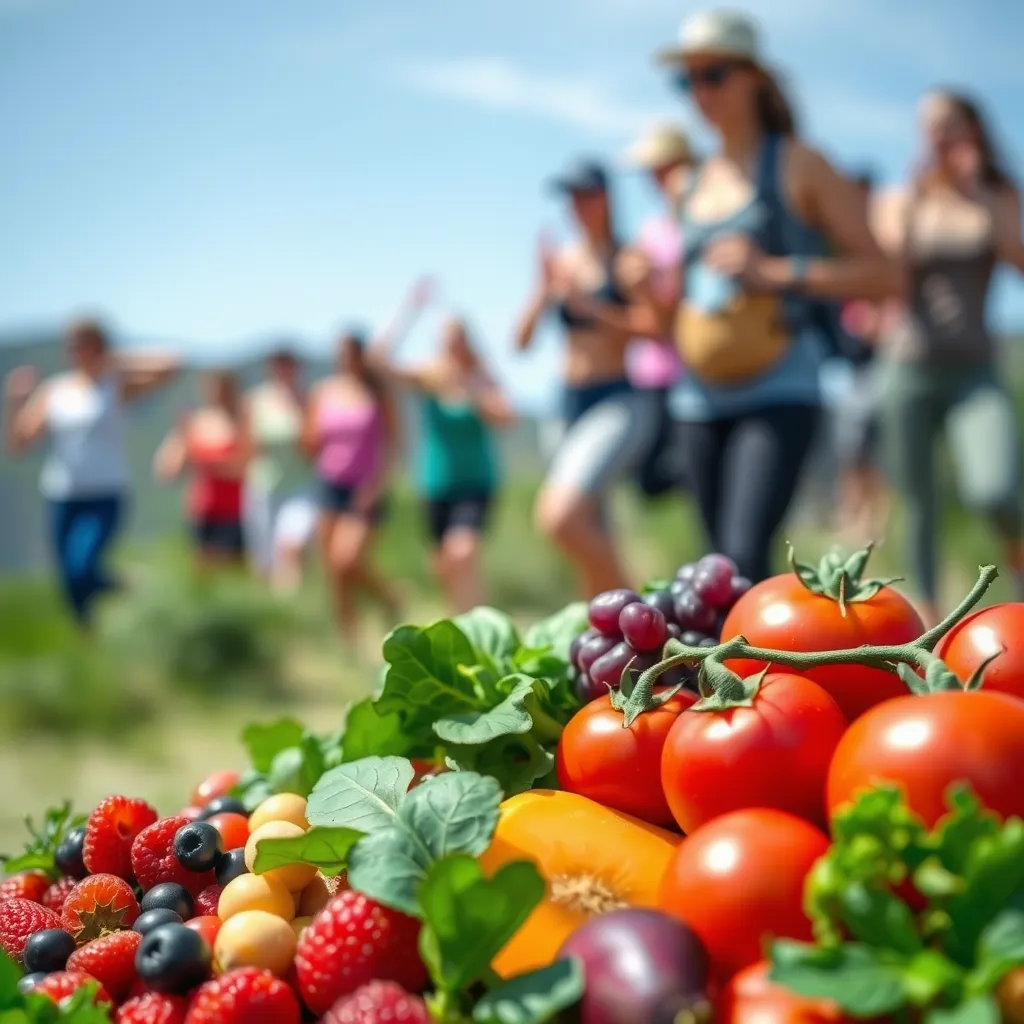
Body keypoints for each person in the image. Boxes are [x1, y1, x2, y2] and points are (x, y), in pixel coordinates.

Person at [647, 9, 895, 583]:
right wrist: (648, 292)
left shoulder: (799, 164)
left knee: (742, 554)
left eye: (713, 75)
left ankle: (763, 670)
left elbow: (884, 275)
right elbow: (674, 315)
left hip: (781, 386)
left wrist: (775, 272)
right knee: (714, 567)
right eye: (687, 80)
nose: (698, 92)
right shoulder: (688, 182)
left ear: (754, 76)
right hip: (696, 399)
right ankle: (732, 672)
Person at [871, 89, 1024, 621]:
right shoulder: (901, 197)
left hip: (974, 369)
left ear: (973, 129)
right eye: (928, 125)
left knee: (996, 489)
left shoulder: (998, 193)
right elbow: (889, 271)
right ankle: (928, 625)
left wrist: (975, 190)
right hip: (907, 367)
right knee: (917, 506)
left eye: (949, 124)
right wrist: (917, 197)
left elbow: (1018, 260)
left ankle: (1018, 566)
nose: (938, 134)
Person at [515, 160, 661, 597]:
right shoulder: (563, 261)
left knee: (560, 519)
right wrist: (545, 292)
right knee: (590, 532)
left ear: (606, 199)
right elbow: (520, 343)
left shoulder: (628, 259)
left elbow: (656, 328)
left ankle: (646, 621)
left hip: (616, 399)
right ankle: (612, 643)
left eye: (585, 196)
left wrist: (591, 308)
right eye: (570, 198)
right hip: (564, 403)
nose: (576, 206)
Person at [2, 318, 179, 627]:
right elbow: (20, 445)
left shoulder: (117, 385)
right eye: (71, 345)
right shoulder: (54, 391)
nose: (75, 351)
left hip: (105, 493)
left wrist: (112, 361)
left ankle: (129, 591)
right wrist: (14, 402)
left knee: (81, 566)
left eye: (83, 344)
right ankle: (90, 641)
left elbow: (170, 364)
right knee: (69, 581)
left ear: (99, 346)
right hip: (62, 495)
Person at [370, 281, 515, 613]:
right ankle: (463, 622)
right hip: (436, 484)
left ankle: (480, 627)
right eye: (445, 339)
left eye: (455, 338)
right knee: (444, 565)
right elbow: (378, 360)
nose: (450, 345)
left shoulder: (482, 377)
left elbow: (507, 418)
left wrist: (473, 392)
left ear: (465, 342)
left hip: (476, 482)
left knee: (461, 551)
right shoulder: (429, 376)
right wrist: (410, 309)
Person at [304, 329, 400, 643]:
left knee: (348, 559)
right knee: (334, 570)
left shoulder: (377, 393)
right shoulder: (323, 392)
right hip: (330, 483)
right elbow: (311, 441)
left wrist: (378, 484)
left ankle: (390, 597)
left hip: (366, 487)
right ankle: (349, 638)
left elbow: (394, 442)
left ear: (360, 355)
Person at [622, 123, 696, 496]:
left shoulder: (701, 222)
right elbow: (647, 313)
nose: (654, 178)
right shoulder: (651, 230)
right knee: (647, 479)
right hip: (651, 373)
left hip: (694, 369)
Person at [154, 370, 250, 570]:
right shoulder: (195, 423)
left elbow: (246, 466)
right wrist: (180, 433)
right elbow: (167, 471)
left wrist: (208, 463)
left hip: (237, 510)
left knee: (233, 573)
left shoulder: (242, 422)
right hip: (202, 510)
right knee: (204, 573)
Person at [243, 347, 317, 593]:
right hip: (263, 487)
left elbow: (315, 448)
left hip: (300, 486)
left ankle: (291, 608)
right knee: (264, 562)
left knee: (292, 546)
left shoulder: (309, 400)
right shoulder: (255, 401)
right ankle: (272, 615)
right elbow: (248, 447)